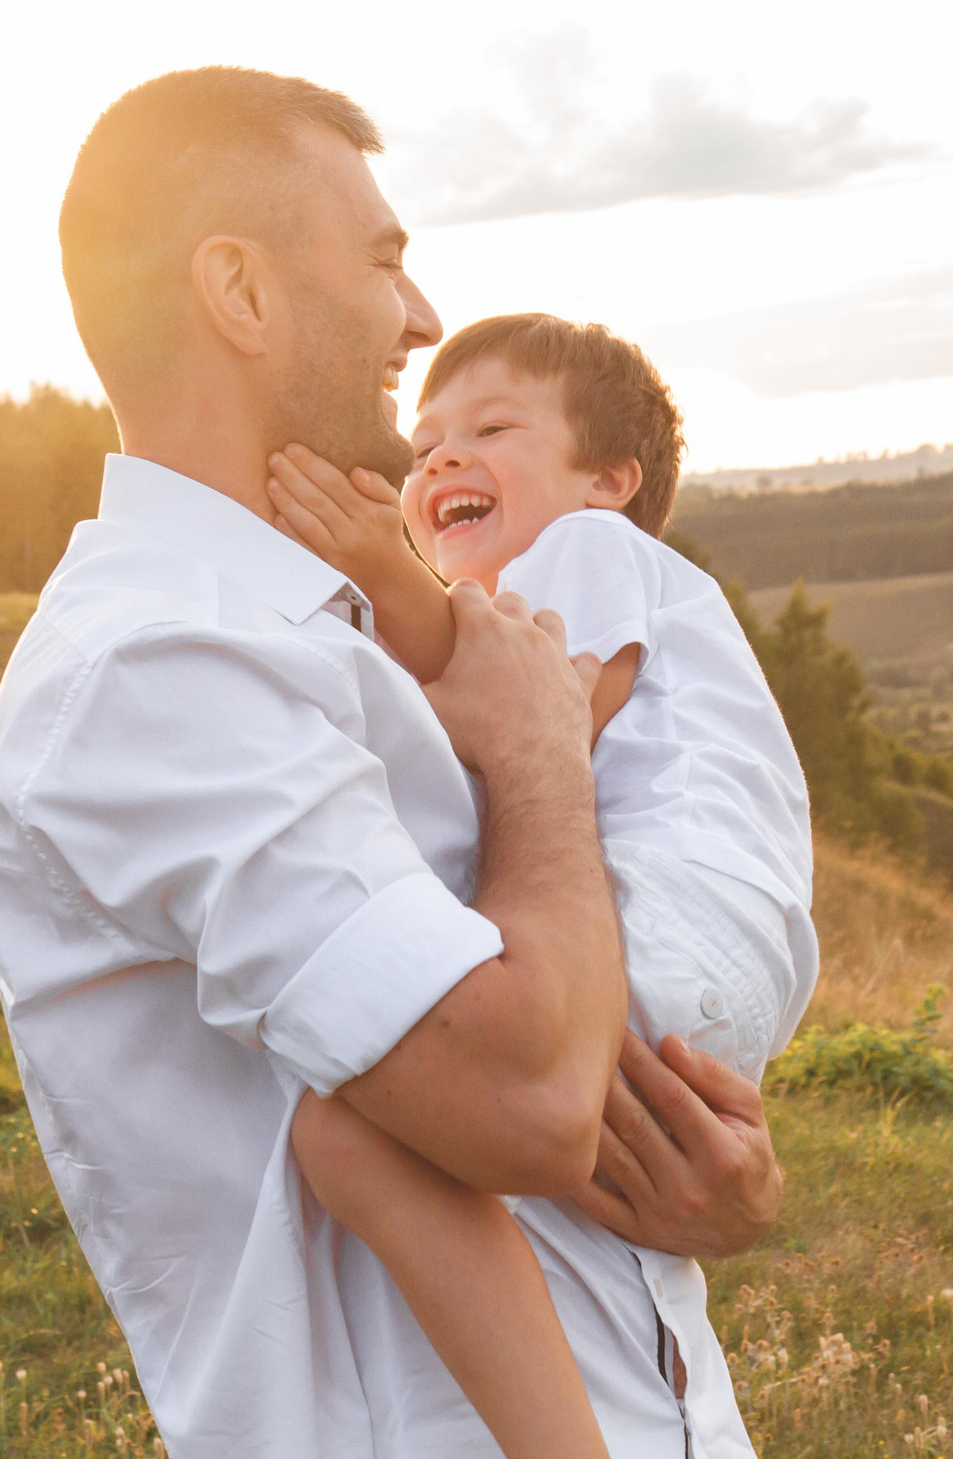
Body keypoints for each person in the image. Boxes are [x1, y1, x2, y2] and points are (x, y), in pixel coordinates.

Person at [0, 67, 787, 1459]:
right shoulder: (159, 669)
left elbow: (567, 1043)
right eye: (385, 260)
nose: (418, 316)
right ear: (239, 291)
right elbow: (525, 1096)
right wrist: (539, 755)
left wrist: (714, 1190)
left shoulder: (330, 636)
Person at [266, 313, 817, 1459]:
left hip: (671, 929)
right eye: (425, 443)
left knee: (356, 1138)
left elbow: (543, 720)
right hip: (710, 965)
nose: (439, 459)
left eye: (492, 426)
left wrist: (376, 571)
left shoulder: (589, 551)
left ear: (609, 480)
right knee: (452, 1149)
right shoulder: (588, 579)